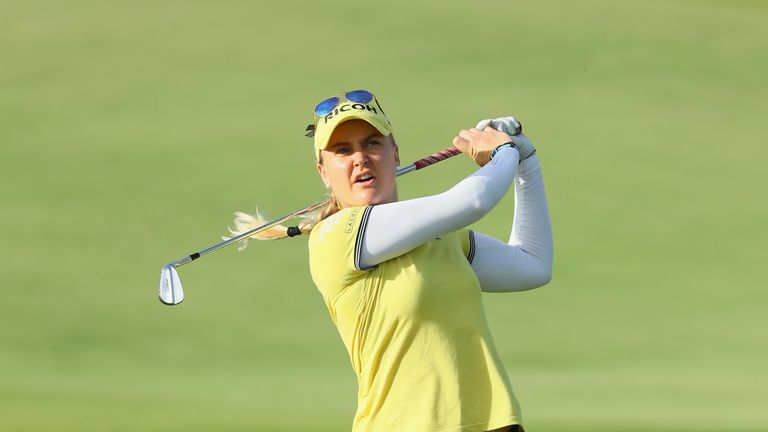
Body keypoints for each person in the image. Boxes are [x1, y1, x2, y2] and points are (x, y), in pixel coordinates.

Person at [230, 90, 553, 432]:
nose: (360, 158)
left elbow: (533, 264)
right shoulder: (336, 237)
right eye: (343, 150)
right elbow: (474, 201)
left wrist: (526, 165)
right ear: (323, 172)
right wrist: (504, 152)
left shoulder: (442, 237)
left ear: (395, 154)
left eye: (372, 144)